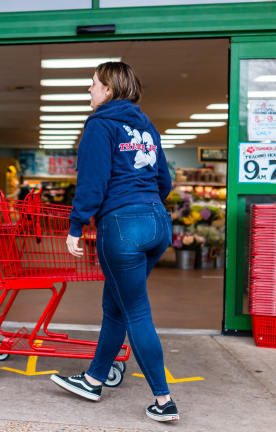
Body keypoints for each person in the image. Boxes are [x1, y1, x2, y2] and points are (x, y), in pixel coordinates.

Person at [49, 62, 177, 422]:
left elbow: (92, 182)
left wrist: (76, 226)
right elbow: (164, 179)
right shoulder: (147, 127)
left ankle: (164, 400)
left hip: (122, 226)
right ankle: (93, 379)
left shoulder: (99, 125)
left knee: (135, 310)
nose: (88, 91)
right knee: (117, 305)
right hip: (156, 223)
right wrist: (146, 204)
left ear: (108, 89)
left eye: (92, 85)